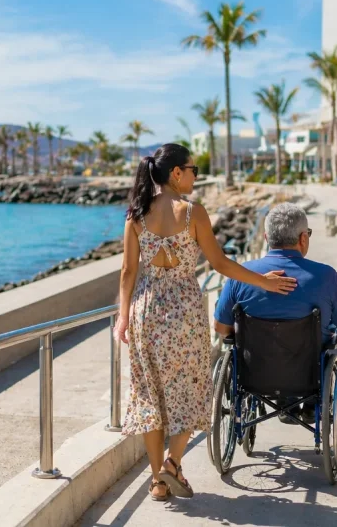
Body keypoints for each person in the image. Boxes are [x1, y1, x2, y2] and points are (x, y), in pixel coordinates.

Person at [116, 143, 297, 502]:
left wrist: (123, 316)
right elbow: (220, 264)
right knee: (189, 390)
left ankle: (158, 482)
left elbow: (127, 272)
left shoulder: (136, 215)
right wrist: (265, 281)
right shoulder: (191, 212)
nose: (196, 176)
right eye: (193, 169)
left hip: (146, 310)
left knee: (150, 397)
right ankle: (173, 464)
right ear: (175, 174)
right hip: (183, 310)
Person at [213, 202, 337, 423]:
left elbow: (221, 329)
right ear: (303, 238)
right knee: (333, 348)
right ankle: (309, 406)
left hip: (253, 375)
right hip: (310, 376)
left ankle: (284, 403)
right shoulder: (327, 277)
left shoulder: (241, 276)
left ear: (267, 237)